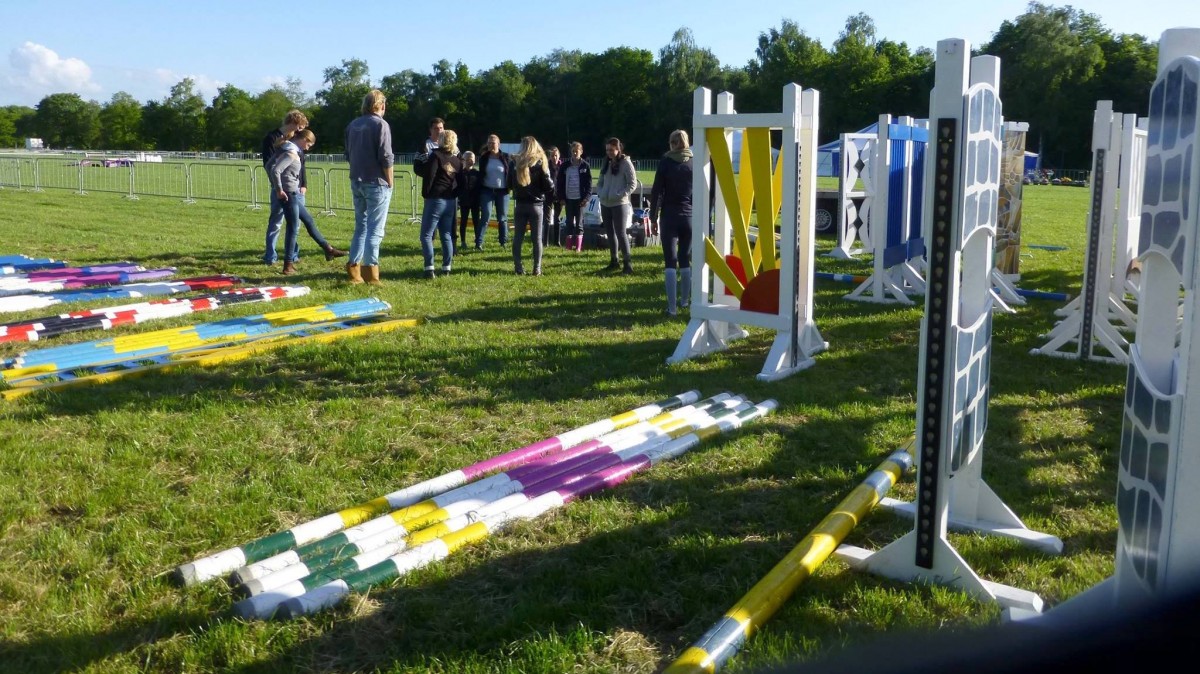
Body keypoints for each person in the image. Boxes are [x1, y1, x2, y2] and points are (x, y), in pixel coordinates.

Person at [343, 89, 394, 286]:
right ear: (381, 105)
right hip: (376, 182)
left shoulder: (353, 124)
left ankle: (354, 271)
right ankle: (371, 274)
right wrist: (390, 180)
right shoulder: (381, 124)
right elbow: (386, 156)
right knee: (375, 229)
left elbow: (348, 153)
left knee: (361, 226)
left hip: (357, 179)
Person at [649, 129, 694, 316]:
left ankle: (672, 308)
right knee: (685, 259)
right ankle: (685, 301)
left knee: (670, 261)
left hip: (669, 215)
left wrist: (653, 217)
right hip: (689, 216)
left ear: (672, 143)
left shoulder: (666, 162)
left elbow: (657, 191)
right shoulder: (694, 162)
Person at [260, 109, 308, 266]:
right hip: (280, 188)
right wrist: (277, 187)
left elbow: (302, 164)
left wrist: (304, 184)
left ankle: (293, 255)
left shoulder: (296, 140)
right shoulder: (271, 138)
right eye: (300, 127)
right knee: (276, 222)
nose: (301, 131)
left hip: (296, 188)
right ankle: (270, 255)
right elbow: (269, 164)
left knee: (295, 223)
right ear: (293, 123)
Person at [413, 129, 463, 279]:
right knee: (446, 234)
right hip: (450, 201)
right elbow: (459, 182)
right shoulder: (457, 160)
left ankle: (429, 267)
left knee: (426, 235)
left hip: (435, 199)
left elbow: (430, 176)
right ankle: (447, 267)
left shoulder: (436, 155)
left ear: (441, 140)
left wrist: (426, 194)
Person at [265, 132, 311, 275]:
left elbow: (300, 168)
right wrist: (278, 188)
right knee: (287, 225)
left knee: (304, 222)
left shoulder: (292, 149)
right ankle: (283, 262)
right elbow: (274, 169)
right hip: (288, 193)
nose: (308, 148)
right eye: (308, 144)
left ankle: (327, 248)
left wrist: (303, 183)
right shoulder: (290, 151)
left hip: (292, 191)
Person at [509, 136, 555, 276]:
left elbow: (509, 184)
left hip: (521, 204)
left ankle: (518, 267)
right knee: (537, 239)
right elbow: (549, 186)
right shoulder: (540, 162)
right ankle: (537, 268)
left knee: (518, 238)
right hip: (536, 205)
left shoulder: (515, 162)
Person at [596, 136, 637, 274]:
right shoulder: (606, 162)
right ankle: (614, 261)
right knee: (610, 232)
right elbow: (600, 180)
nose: (609, 152)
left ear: (618, 149)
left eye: (612, 150)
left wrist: (619, 194)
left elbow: (632, 184)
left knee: (621, 233)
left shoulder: (626, 163)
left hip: (620, 204)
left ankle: (628, 264)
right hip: (605, 203)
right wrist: (601, 192)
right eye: (607, 150)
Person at [476, 134, 512, 249]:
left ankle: (503, 242)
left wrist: (510, 186)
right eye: (489, 143)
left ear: (498, 144)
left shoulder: (506, 157)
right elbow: (481, 174)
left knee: (502, 218)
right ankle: (479, 242)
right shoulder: (484, 157)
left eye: (493, 143)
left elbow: (510, 173)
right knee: (485, 216)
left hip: (502, 191)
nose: (491, 145)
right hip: (487, 190)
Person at [558, 141, 592, 252]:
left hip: (580, 200)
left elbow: (589, 184)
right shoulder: (564, 166)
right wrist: (561, 198)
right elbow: (560, 183)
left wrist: (586, 198)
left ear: (581, 152)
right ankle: (568, 246)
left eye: (577, 151)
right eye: (573, 151)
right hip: (568, 199)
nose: (575, 153)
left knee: (579, 223)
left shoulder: (585, 166)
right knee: (569, 222)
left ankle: (578, 247)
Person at [457, 151, 481, 253]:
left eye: (471, 159)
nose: (469, 161)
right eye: (467, 159)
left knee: (476, 222)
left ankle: (478, 242)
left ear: (474, 160)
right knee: (463, 221)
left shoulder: (477, 173)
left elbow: (480, 188)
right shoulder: (460, 173)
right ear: (463, 160)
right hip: (464, 201)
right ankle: (463, 241)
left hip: (475, 201)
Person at [542, 145, 564, 246]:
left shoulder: (563, 167)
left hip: (559, 196)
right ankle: (545, 241)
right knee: (546, 219)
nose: (554, 158)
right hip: (548, 195)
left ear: (559, 156)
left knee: (557, 219)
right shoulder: (546, 167)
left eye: (556, 155)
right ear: (549, 157)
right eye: (552, 156)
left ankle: (557, 241)